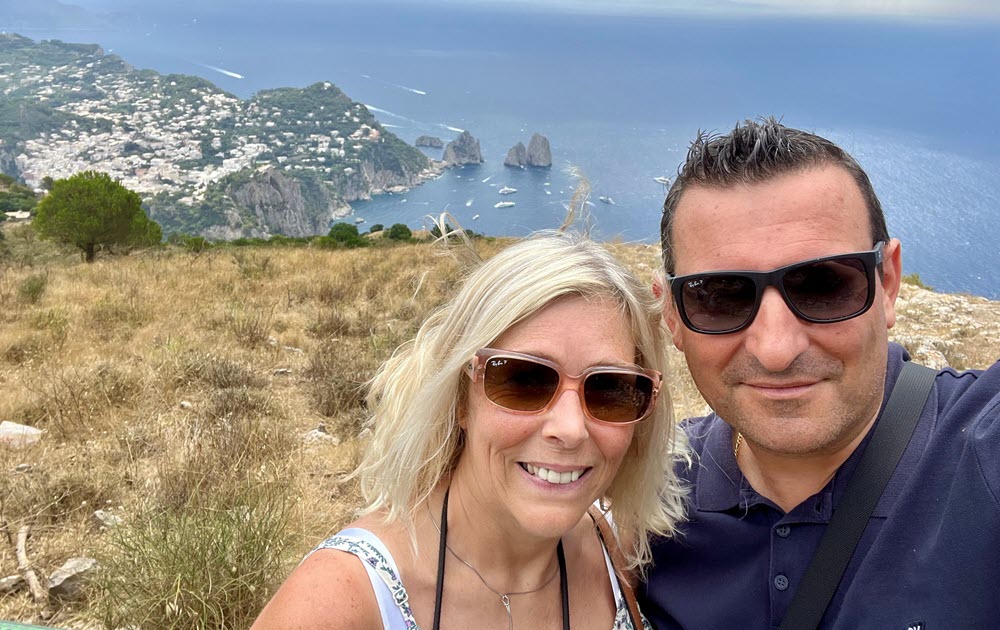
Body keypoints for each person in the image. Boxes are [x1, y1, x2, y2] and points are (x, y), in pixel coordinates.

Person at [640, 117, 1000, 629]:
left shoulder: (981, 452)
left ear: (889, 282)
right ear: (672, 316)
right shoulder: (645, 501)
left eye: (823, 285)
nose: (776, 349)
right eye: (719, 297)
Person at [253, 232, 688, 629]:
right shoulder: (339, 602)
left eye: (610, 388)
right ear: (461, 397)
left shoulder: (620, 552)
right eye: (524, 380)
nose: (570, 429)